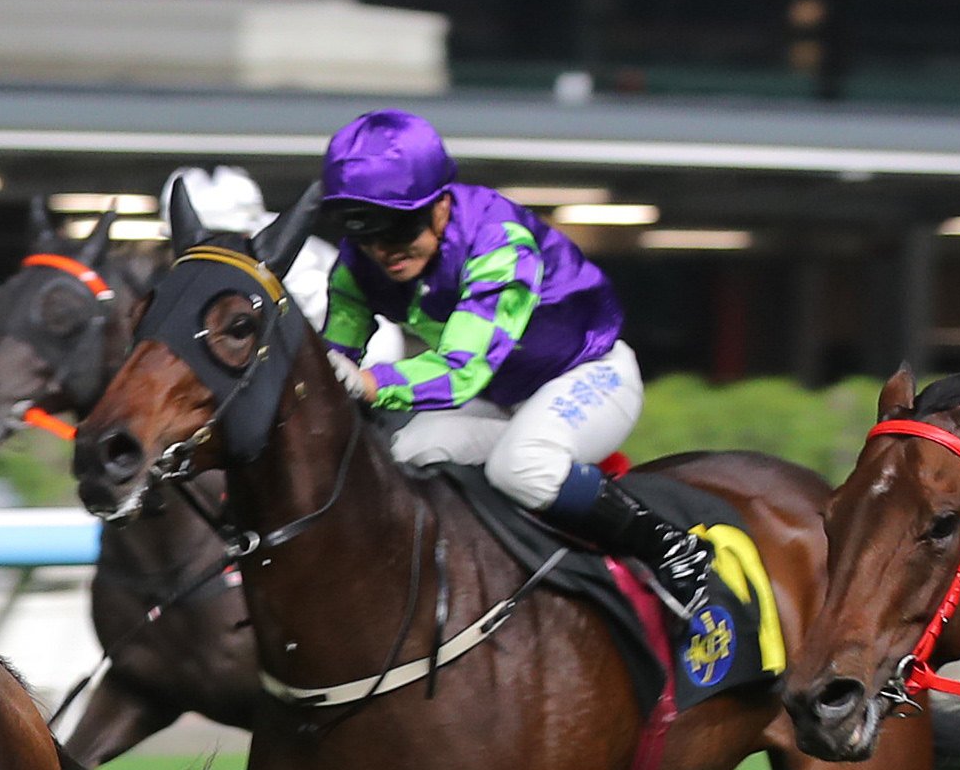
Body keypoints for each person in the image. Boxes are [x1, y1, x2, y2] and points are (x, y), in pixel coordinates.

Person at [302, 109, 728, 628]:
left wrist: (369, 383)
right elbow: (338, 341)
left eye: (399, 227)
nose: (384, 249)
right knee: (403, 453)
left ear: (441, 206)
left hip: (589, 376)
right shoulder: (361, 261)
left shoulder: (498, 242)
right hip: (505, 399)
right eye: (367, 233)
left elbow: (461, 371)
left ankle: (671, 549)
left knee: (521, 465)